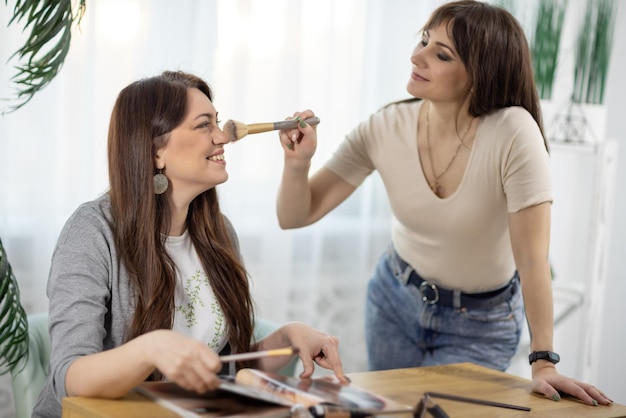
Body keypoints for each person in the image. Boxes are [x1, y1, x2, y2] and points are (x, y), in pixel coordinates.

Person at [275, 0, 611, 407]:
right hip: (394, 302)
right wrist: (298, 164)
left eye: (441, 54)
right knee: (391, 412)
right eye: (423, 41)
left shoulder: (513, 133)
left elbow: (533, 260)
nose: (417, 56)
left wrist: (543, 363)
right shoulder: (385, 126)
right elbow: (294, 216)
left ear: (479, 75)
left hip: (481, 323)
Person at [33, 70, 347, 418]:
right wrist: (150, 349)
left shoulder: (219, 233)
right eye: (203, 126)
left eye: (218, 121)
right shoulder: (92, 231)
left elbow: (217, 370)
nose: (222, 137)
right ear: (155, 151)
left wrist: (285, 340)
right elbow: (70, 378)